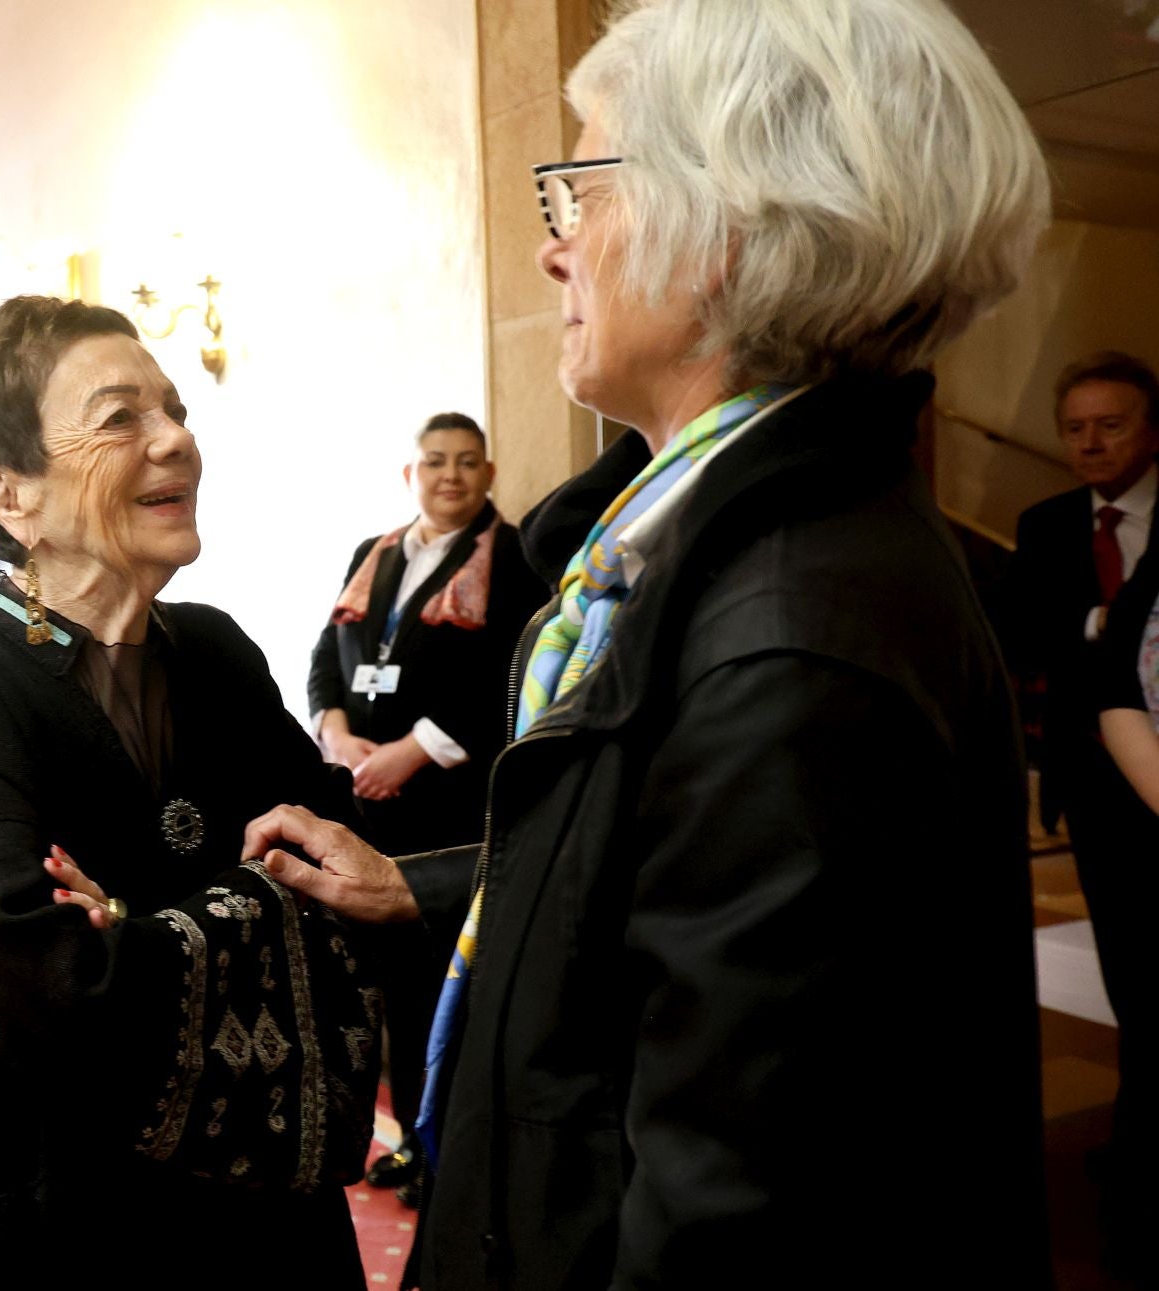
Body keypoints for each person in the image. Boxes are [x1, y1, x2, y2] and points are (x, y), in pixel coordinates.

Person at [241, 1, 1054, 1285]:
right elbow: (665, 891)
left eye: (582, 187)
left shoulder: (789, 637)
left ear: (725, 227)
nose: (555, 251)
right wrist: (428, 889)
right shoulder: (693, 539)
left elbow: (733, 1221)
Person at [0, 295, 382, 1289]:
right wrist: (255, 910)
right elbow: (44, 987)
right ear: (12, 495)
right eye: (122, 418)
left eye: (174, 410)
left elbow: (353, 891)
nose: (175, 440)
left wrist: (132, 924)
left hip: (264, 1217)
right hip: (66, 1219)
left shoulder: (213, 650)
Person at [307, 411, 529, 1201]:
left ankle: (451, 1159)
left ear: (489, 475)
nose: (451, 475)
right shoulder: (374, 555)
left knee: (449, 995)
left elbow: (511, 681)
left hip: (450, 819)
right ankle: (410, 1141)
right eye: (435, 461)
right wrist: (333, 729)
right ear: (411, 473)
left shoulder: (516, 562)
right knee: (392, 994)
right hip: (370, 813)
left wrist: (411, 749)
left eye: (468, 462)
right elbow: (325, 658)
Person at [1060, 354, 1159, 1285]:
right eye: (1076, 428)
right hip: (1103, 792)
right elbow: (1037, 644)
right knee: (1132, 971)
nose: (1091, 444)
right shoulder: (1046, 524)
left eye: (1113, 424)